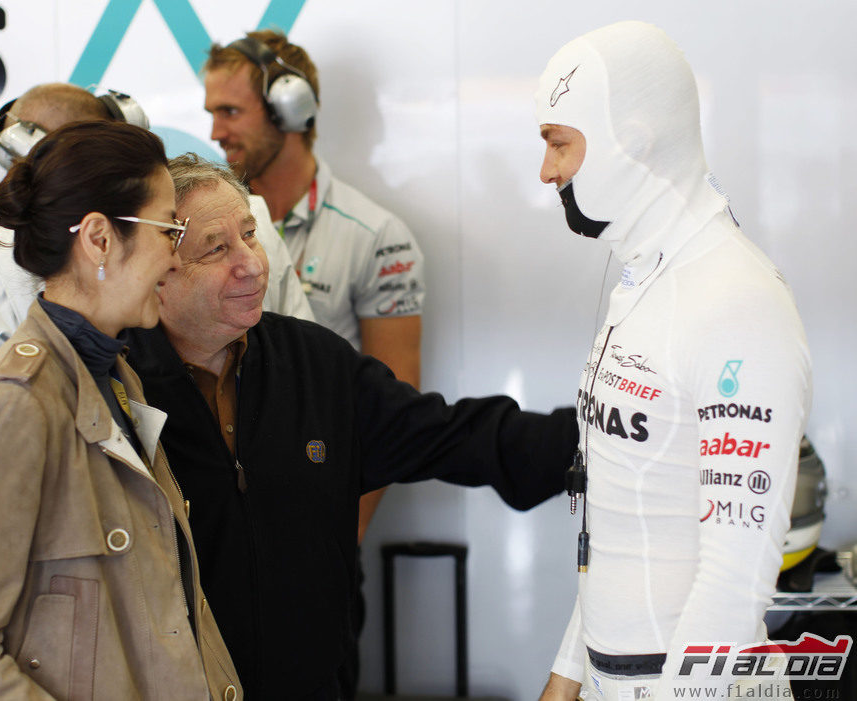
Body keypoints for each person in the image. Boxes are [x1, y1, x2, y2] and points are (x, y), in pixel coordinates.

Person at [121, 154, 580, 700]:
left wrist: (598, 438)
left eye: (250, 234)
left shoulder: (315, 363)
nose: (252, 264)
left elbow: (453, 435)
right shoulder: (116, 388)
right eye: (217, 249)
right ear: (159, 271)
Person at [0, 81, 313, 615]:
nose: (174, 258)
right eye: (170, 232)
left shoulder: (119, 365)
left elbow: (303, 389)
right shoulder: (16, 390)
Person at [0, 121, 242, 700]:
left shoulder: (114, 377)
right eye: (168, 229)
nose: (174, 255)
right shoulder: (16, 408)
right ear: (99, 239)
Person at [533, 21, 811, 700]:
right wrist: (567, 676)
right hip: (612, 678)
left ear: (630, 141)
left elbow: (735, 576)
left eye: (559, 143)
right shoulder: (642, 280)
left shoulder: (735, 299)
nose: (546, 171)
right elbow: (620, 519)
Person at [204, 32, 423, 693]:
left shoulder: (374, 237)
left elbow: (392, 412)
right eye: (210, 111)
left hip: (313, 549)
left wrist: (329, 541)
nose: (213, 130)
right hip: (218, 545)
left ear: (290, 111)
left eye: (230, 112)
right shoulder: (189, 227)